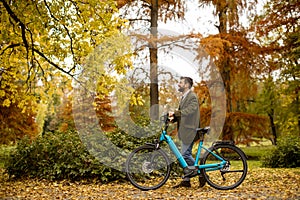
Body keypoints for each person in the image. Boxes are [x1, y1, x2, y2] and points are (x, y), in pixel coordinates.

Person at [169, 76, 206, 188]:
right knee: (185, 154)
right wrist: (173, 118)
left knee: (184, 155)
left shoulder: (192, 97)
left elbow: (191, 110)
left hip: (190, 130)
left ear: (186, 85)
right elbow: (183, 114)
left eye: (180, 83)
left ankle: (201, 173)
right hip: (185, 131)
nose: (178, 85)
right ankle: (186, 180)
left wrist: (175, 113)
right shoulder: (184, 97)